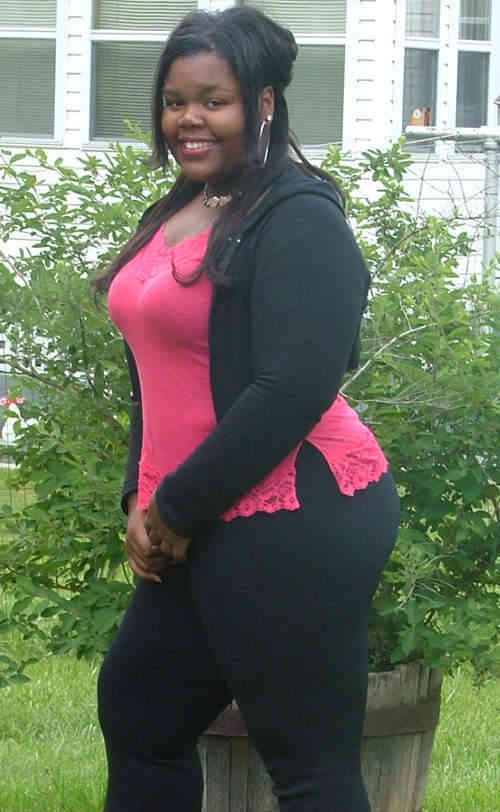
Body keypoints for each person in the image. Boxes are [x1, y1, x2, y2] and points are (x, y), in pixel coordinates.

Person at [95, 6, 400, 811]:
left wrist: (176, 507)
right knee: (141, 714)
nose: (189, 119)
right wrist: (139, 495)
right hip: (191, 508)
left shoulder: (300, 217)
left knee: (307, 761)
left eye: (214, 100)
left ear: (263, 104)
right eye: (175, 101)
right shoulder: (182, 207)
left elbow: (295, 387)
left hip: (295, 507)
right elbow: (155, 370)